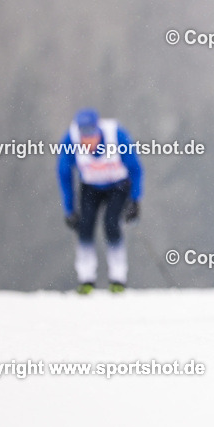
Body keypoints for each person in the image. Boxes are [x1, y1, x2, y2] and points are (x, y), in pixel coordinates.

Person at [57, 108, 143, 293]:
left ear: (98, 130)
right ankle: (86, 279)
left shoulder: (116, 135)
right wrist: (69, 209)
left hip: (118, 186)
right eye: (84, 137)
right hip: (90, 187)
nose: (88, 142)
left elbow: (135, 169)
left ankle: (118, 278)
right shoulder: (70, 140)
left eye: (91, 135)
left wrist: (135, 201)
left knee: (111, 223)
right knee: (85, 226)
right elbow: (65, 175)